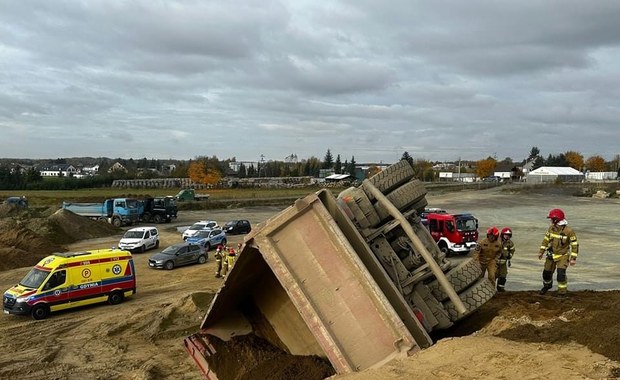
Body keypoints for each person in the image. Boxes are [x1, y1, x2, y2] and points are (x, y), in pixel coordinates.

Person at [538, 208, 579, 296]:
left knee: (561, 275)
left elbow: (574, 245)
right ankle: (547, 286)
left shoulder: (569, 231)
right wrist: (541, 251)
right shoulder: (551, 229)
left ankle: (562, 292)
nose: (551, 221)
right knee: (546, 274)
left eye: (552, 219)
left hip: (562, 256)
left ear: (556, 220)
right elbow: (546, 240)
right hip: (551, 255)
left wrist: (573, 258)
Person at [496, 227, 515, 292]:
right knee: (493, 276)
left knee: (503, 276)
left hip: (503, 263)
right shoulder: (497, 241)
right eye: (506, 235)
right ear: (502, 235)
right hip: (495, 262)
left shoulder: (510, 243)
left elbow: (512, 250)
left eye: (508, 235)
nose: (507, 237)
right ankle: (490, 289)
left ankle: (500, 289)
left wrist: (509, 256)